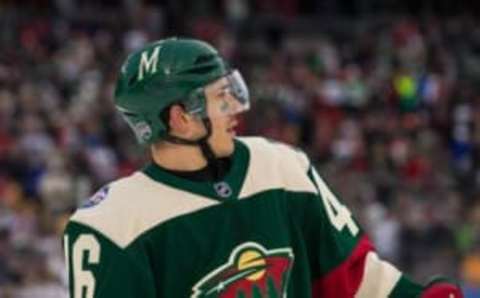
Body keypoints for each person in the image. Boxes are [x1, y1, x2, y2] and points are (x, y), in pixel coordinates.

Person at [62, 37, 463, 298]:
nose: (235, 108)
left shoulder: (280, 167)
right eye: (221, 99)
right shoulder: (111, 226)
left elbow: (353, 280)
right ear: (180, 118)